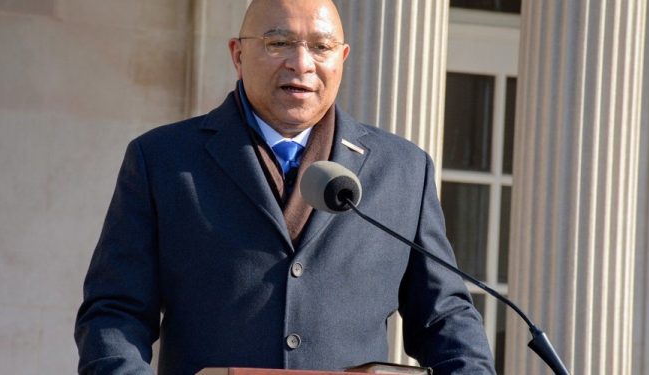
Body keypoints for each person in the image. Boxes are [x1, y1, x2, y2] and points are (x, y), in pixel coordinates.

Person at [74, 0, 495, 374]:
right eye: (279, 43)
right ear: (237, 54)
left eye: (321, 47)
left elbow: (444, 318)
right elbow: (115, 312)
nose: (301, 63)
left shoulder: (403, 169)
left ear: (342, 58)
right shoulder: (164, 159)